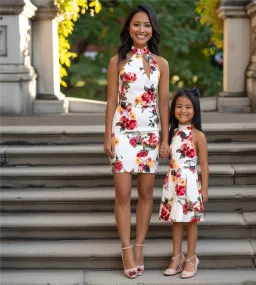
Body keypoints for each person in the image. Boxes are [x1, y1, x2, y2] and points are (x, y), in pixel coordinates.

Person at [104, 4, 170, 279]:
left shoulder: (161, 63)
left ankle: (139, 246)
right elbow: (110, 99)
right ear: (129, 29)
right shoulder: (116, 61)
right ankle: (125, 249)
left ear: (152, 29)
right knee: (122, 193)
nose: (141, 30)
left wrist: (166, 138)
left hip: (150, 134)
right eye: (136, 24)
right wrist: (107, 134)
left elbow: (163, 102)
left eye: (146, 25)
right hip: (122, 132)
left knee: (145, 194)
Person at [159, 87, 208, 279]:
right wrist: (164, 150)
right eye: (178, 106)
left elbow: (204, 163)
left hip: (189, 183)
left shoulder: (198, 136)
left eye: (188, 107)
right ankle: (176, 256)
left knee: (191, 221)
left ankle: (191, 258)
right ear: (173, 110)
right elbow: (168, 156)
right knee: (176, 221)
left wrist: (204, 188)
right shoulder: (171, 134)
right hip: (173, 182)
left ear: (195, 110)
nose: (183, 110)